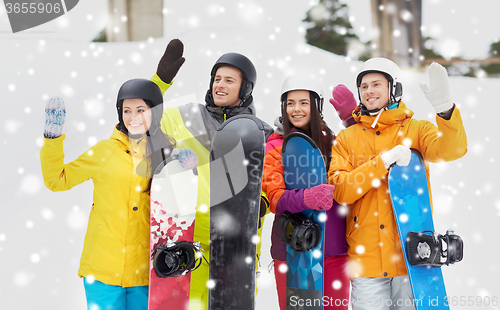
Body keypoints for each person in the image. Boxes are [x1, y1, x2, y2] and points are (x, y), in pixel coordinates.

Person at [328, 58, 468, 310]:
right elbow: (341, 191)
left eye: (376, 84)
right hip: (366, 261)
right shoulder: (347, 138)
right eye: (364, 86)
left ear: (394, 89)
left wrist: (445, 111)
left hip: (410, 258)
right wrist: (382, 162)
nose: (369, 91)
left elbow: (452, 150)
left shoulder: (415, 129)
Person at [150, 40, 273, 308]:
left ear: (246, 88)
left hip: (236, 253)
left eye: (230, 80)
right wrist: (159, 82)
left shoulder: (261, 133)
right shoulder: (188, 116)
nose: (220, 84)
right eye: (217, 78)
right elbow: (142, 121)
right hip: (190, 250)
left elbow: (276, 183)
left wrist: (260, 201)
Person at [40, 79, 176, 309]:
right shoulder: (104, 151)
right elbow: (57, 180)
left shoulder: (165, 152)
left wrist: (184, 166)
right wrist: (52, 141)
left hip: (146, 272)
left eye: (141, 110)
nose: (133, 117)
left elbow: (180, 207)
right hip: (103, 271)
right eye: (127, 110)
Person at [262, 75, 357, 309]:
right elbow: (274, 197)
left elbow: (363, 156)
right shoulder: (275, 145)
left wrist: (353, 122)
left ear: (317, 106)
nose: (297, 109)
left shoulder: (335, 142)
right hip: (295, 249)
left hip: (334, 249)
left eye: (304, 102)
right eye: (290, 103)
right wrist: (306, 197)